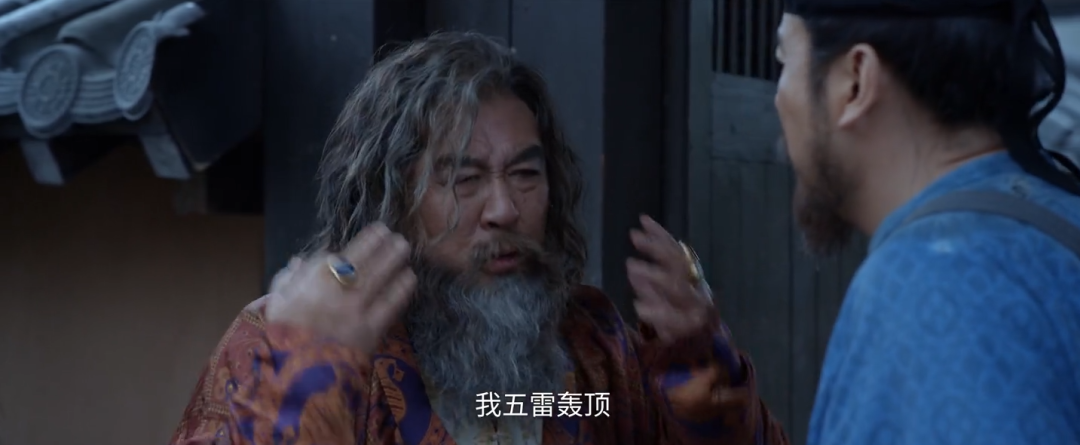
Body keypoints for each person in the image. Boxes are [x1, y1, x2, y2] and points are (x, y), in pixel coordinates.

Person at [168, 32, 788, 445]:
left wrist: (699, 368)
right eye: (464, 179)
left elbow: (530, 410)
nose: (504, 209)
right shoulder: (290, 342)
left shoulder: (585, 362)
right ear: (391, 198)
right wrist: (310, 378)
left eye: (526, 174)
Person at [774, 0, 1080, 444]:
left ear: (855, 80)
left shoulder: (932, 281)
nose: (778, 100)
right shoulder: (1055, 217)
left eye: (784, 59)